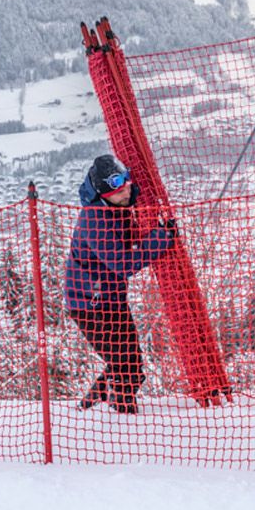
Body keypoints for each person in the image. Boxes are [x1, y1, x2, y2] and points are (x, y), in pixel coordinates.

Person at [63, 154, 178, 414]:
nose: (126, 190)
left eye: (126, 182)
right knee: (122, 364)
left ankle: (88, 407)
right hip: (89, 305)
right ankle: (121, 415)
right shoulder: (95, 221)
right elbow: (123, 264)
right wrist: (162, 237)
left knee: (133, 368)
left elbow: (133, 194)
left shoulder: (119, 201)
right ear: (104, 194)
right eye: (118, 189)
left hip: (112, 298)